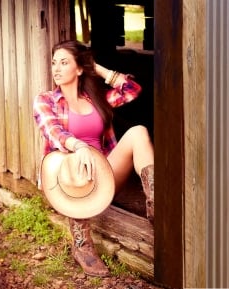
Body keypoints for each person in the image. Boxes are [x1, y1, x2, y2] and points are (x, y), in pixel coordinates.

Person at [33, 40, 154, 277]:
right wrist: (79, 146)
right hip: (72, 183)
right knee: (78, 163)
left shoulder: (94, 99)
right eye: (54, 63)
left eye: (64, 62)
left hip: (105, 176)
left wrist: (96, 68)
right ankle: (82, 245)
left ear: (79, 68)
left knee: (138, 131)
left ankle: (156, 199)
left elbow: (132, 90)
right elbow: (53, 131)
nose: (56, 68)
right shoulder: (46, 100)